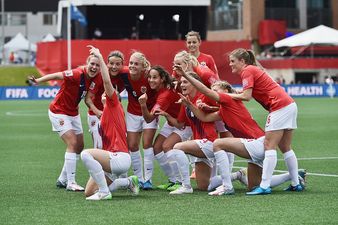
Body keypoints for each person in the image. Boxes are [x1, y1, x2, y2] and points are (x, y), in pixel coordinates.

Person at [176, 68, 306, 195]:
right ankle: (293, 175)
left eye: (216, 90)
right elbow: (204, 117)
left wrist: (188, 77)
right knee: (254, 186)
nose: (213, 92)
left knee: (218, 144)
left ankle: (227, 187)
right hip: (257, 145)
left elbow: (206, 92)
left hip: (257, 143)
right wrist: (190, 105)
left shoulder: (228, 99)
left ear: (226, 91)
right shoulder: (223, 109)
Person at [226, 48, 302, 195]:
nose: (230, 64)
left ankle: (265, 185)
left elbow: (247, 96)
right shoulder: (253, 69)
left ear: (242, 61)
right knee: (285, 146)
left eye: (232, 61)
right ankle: (295, 183)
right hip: (289, 104)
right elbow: (249, 92)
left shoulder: (247, 71)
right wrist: (235, 94)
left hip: (279, 106)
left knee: (269, 145)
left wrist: (226, 96)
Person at [28, 51, 101, 191]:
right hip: (58, 111)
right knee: (72, 143)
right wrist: (38, 80)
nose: (94, 67)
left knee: (79, 146)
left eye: (97, 65)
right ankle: (71, 182)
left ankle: (62, 179)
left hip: (73, 113)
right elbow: (57, 75)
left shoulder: (96, 78)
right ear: (87, 63)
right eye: (92, 64)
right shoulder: (76, 74)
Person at [81, 45, 139, 200]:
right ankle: (127, 182)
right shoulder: (107, 112)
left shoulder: (114, 105)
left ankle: (105, 193)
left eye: (110, 94)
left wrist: (99, 56)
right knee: (88, 192)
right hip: (112, 159)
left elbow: (107, 82)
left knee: (86, 154)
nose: (105, 95)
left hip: (118, 158)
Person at [157, 72, 219, 194]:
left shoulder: (205, 96)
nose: (181, 84)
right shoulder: (185, 101)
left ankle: (185, 186)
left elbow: (224, 107)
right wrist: (166, 115)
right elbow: (180, 124)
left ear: (195, 84)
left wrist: (211, 109)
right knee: (204, 186)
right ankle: (237, 175)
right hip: (199, 144)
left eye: (185, 82)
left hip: (210, 141)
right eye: (181, 82)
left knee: (176, 147)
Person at [138, 65, 192, 191]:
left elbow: (149, 118)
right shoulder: (167, 85)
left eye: (155, 77)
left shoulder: (164, 95)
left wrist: (143, 105)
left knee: (166, 146)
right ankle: (173, 180)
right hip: (171, 122)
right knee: (157, 147)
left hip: (184, 124)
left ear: (162, 79)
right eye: (150, 77)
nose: (151, 80)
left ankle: (180, 181)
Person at [121, 51, 158, 189]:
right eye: (130, 63)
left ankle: (147, 180)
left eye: (136, 64)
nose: (132, 66)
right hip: (132, 113)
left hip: (150, 112)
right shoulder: (124, 74)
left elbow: (164, 80)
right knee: (132, 145)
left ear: (143, 67)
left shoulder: (150, 75)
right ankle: (138, 178)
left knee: (147, 144)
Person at [85, 50, 126, 149]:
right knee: (99, 145)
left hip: (113, 115)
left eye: (117, 64)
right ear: (106, 63)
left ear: (122, 65)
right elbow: (87, 98)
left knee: (114, 144)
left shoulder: (125, 76)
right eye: (111, 63)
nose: (114, 67)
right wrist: (97, 111)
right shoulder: (99, 76)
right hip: (96, 115)